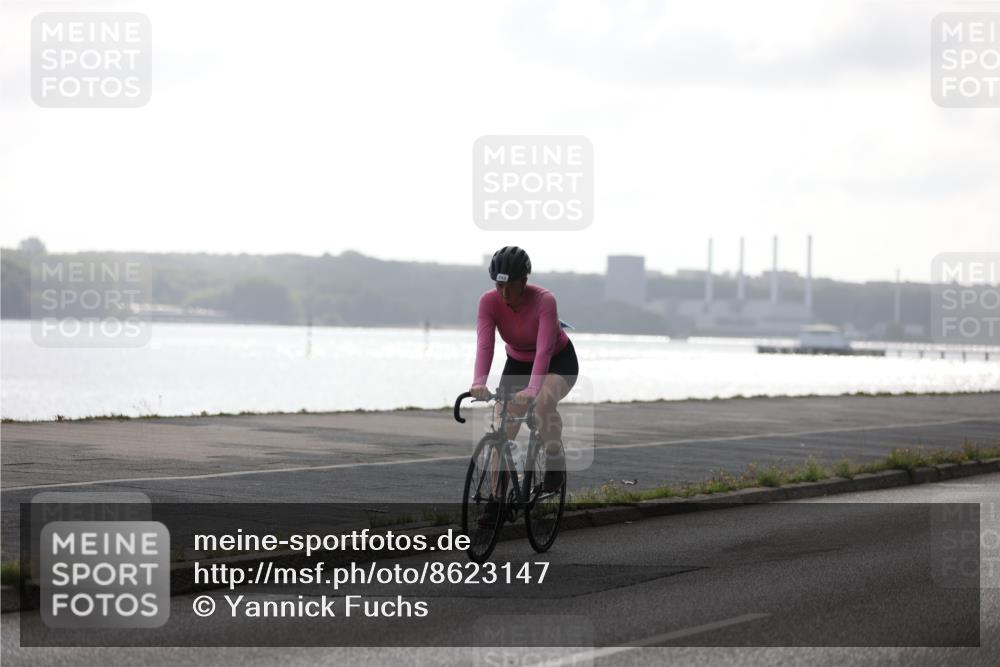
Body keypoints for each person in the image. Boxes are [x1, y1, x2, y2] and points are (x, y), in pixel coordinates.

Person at [470, 246, 579, 494]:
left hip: (557, 361)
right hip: (518, 362)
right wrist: (479, 382)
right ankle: (497, 503)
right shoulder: (488, 302)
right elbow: (485, 345)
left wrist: (532, 388)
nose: (504, 293)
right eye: (499, 286)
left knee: (542, 406)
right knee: (500, 433)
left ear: (524, 281)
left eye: (510, 286)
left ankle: (553, 460)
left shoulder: (545, 301)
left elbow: (544, 351)